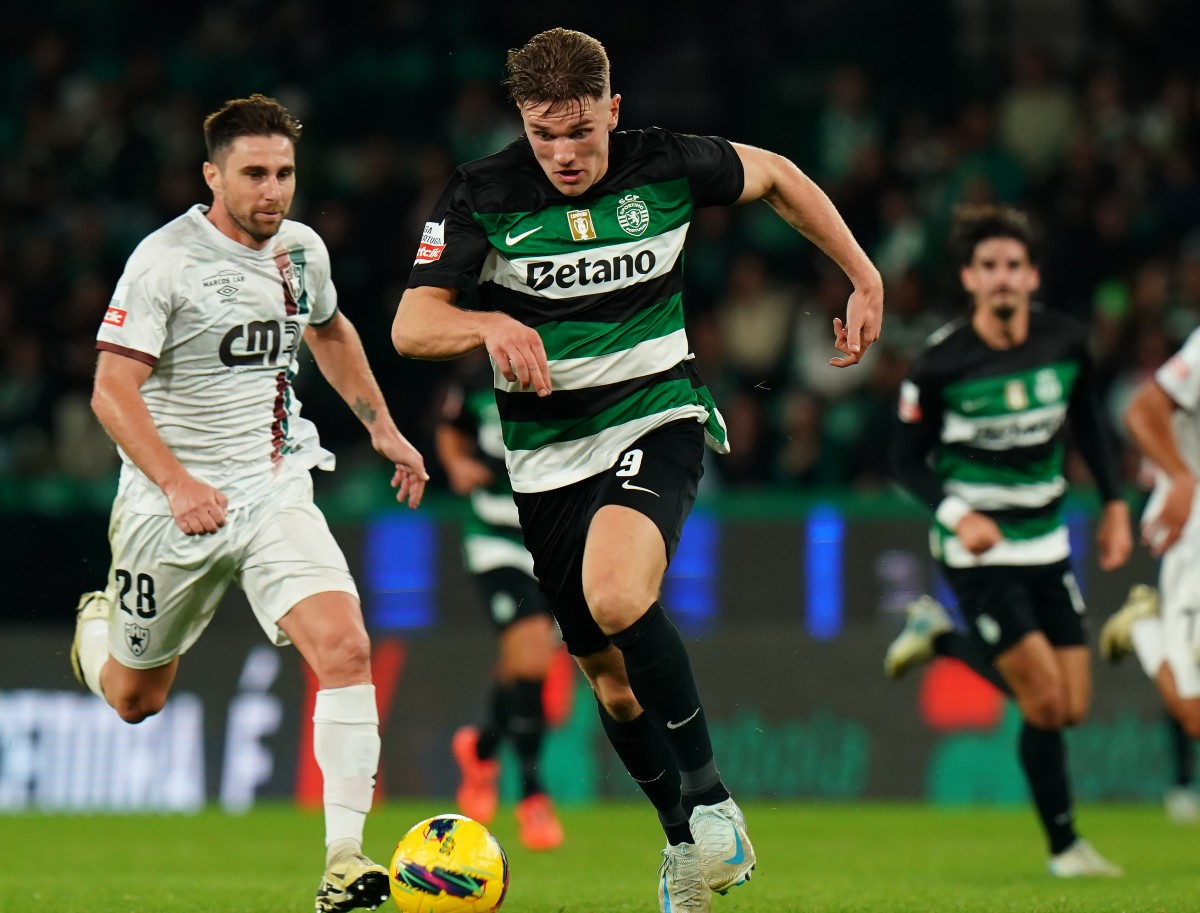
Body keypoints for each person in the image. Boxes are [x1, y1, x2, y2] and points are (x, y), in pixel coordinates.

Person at [391, 27, 883, 913]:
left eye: (581, 130)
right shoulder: (483, 192)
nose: (565, 153)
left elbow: (777, 174)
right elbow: (410, 325)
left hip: (658, 417)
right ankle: (687, 846)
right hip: (545, 465)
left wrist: (861, 272)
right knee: (608, 681)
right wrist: (485, 325)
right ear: (522, 122)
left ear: (613, 111)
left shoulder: (663, 164)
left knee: (618, 595)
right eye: (545, 133)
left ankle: (717, 802)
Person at [69, 94, 429, 913]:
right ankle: (96, 629)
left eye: (285, 173)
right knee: (135, 698)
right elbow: (110, 388)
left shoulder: (301, 251)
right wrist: (177, 481)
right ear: (212, 176)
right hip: (170, 507)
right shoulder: (163, 262)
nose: (274, 191)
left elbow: (330, 330)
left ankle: (344, 860)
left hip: (274, 486)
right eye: (255, 174)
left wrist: (382, 426)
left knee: (344, 646)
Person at [884, 204, 1132, 876]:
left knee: (1070, 706)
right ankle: (1065, 848)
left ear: (1032, 277)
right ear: (969, 277)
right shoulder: (940, 361)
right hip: (979, 552)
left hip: (1047, 542)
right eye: (988, 266)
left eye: (1013, 266)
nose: (1001, 278)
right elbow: (903, 460)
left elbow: (1088, 426)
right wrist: (958, 512)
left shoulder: (1065, 342)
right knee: (1044, 700)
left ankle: (939, 638)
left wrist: (1114, 504)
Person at [437, 350, 566, 850]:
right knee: (532, 658)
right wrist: (456, 464)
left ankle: (481, 746)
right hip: (495, 538)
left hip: (551, 539)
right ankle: (534, 797)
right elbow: (452, 425)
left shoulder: (566, 360)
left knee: (521, 664)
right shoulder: (475, 370)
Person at [1095, 324, 1200, 822]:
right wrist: (1181, 478)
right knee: (1193, 713)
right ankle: (1144, 628)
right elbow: (1141, 410)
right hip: (1193, 525)